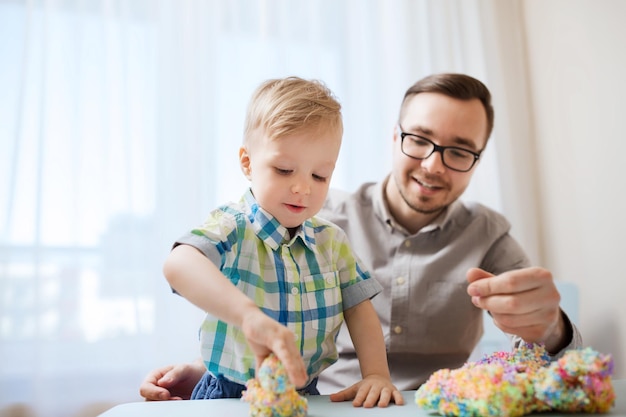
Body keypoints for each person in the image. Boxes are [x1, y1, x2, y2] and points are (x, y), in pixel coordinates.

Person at [140, 73, 582, 401]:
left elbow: (550, 351)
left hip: (424, 405)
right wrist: (211, 369)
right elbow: (190, 266)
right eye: (419, 139)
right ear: (394, 137)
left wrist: (553, 327)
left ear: (478, 159)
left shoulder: (488, 234)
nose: (432, 164)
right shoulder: (306, 216)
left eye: (459, 150)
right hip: (321, 399)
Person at [160, 76, 403, 407]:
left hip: (304, 395)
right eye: (284, 170)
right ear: (247, 162)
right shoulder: (232, 226)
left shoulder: (332, 241)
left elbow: (360, 311)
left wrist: (376, 373)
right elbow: (179, 263)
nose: (303, 188)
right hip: (231, 395)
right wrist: (249, 316)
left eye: (320, 176)